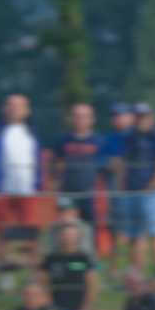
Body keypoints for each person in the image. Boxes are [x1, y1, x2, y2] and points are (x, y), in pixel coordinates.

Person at [0, 93, 42, 270]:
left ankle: (33, 270)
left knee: (30, 231)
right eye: (11, 105)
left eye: (19, 106)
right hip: (1, 189)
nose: (14, 109)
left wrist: (38, 182)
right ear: (4, 108)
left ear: (27, 111)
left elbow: (37, 158)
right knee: (1, 232)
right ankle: (2, 270)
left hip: (27, 189)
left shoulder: (32, 132)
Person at [117, 103, 155, 269]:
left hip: (152, 194)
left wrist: (150, 188)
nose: (141, 120)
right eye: (138, 116)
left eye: (144, 116)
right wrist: (122, 187)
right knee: (135, 237)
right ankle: (138, 279)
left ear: (151, 117)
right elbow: (121, 163)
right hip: (131, 193)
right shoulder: (128, 138)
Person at [51, 102, 104, 249]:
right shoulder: (63, 141)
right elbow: (55, 166)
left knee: (89, 229)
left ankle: (89, 261)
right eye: (77, 116)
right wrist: (55, 185)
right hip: (67, 192)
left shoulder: (99, 142)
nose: (80, 120)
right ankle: (64, 259)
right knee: (67, 228)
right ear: (71, 119)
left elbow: (105, 170)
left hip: (90, 194)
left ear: (92, 119)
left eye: (84, 117)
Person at [98, 102, 136, 269]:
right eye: (115, 116)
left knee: (135, 233)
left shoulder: (137, 136)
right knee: (116, 231)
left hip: (135, 190)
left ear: (130, 117)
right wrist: (109, 163)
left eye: (122, 115)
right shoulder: (109, 139)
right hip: (116, 192)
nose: (118, 119)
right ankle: (115, 269)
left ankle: (133, 269)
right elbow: (99, 161)